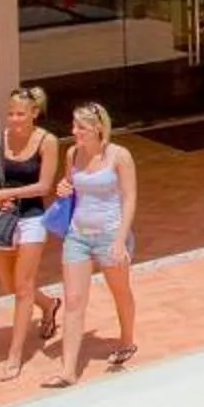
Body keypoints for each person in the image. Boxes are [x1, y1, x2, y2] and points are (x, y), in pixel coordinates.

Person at [47, 101, 138, 388]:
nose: (75, 132)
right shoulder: (72, 154)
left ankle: (126, 340)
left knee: (120, 291)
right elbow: (71, 186)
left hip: (110, 234)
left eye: (81, 127)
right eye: (74, 126)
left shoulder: (119, 156)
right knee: (74, 301)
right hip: (77, 236)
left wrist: (121, 240)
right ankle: (68, 370)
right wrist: (63, 187)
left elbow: (129, 198)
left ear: (98, 128)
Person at [0, 86, 62, 381]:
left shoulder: (47, 141)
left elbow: (44, 187)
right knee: (10, 285)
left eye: (20, 114)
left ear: (34, 114)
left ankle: (14, 355)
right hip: (2, 218)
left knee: (23, 286)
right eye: (10, 113)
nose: (14, 119)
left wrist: (9, 192)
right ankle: (49, 304)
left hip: (32, 218)